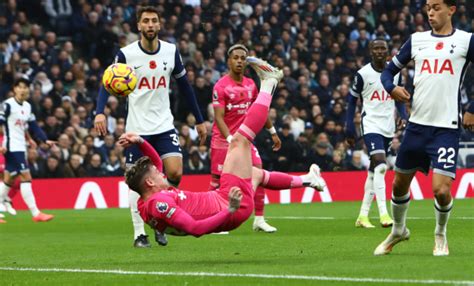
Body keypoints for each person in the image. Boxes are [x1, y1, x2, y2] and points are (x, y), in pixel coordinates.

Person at [121, 57, 327, 240]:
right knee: (239, 141)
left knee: (254, 174)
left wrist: (140, 141)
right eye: (157, 173)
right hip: (229, 204)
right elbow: (195, 229)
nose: (161, 170)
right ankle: (269, 83)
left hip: (223, 197)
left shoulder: (144, 202)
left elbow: (155, 162)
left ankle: (308, 180)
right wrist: (229, 210)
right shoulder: (159, 204)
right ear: (149, 182)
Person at [94, 6, 207, 248]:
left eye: (154, 21)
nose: (150, 25)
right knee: (137, 181)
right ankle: (139, 234)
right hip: (137, 128)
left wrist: (199, 120)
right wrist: (99, 112)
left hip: (164, 125)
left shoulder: (170, 51)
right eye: (145, 21)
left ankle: (161, 221)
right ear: (139, 26)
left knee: (175, 173)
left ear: (159, 25)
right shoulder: (126, 54)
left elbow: (185, 86)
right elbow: (106, 82)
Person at [374, 0, 474, 256]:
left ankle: (440, 234)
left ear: (451, 10)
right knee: (398, 185)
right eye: (428, 7)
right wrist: (391, 88)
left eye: (437, 7)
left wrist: (471, 107)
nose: (431, 12)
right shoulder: (417, 40)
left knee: (440, 191)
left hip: (446, 129)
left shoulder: (465, 40)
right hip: (417, 127)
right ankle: (398, 230)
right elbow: (387, 72)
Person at [210, 44, 281, 233]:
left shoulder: (251, 84)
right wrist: (230, 138)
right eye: (236, 58)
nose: (240, 61)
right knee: (218, 181)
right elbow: (218, 117)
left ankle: (259, 219)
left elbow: (260, 109)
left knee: (258, 171)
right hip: (223, 139)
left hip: (245, 140)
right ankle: (217, 220)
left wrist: (272, 131)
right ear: (229, 61)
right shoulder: (221, 86)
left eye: (243, 58)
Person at [345, 38, 407, 229]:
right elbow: (351, 102)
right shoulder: (363, 74)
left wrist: (403, 116)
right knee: (381, 166)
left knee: (373, 172)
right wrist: (349, 127)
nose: (380, 51)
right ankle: (384, 214)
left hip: (388, 126)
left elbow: (399, 98)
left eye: (383, 48)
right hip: (370, 124)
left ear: (388, 51)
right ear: (371, 51)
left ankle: (362, 216)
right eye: (376, 48)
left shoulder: (395, 74)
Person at [0, 78, 56, 222]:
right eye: (20, 87)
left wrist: (45, 140)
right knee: (26, 177)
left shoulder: (28, 106)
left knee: (9, 180)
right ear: (14, 89)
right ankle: (35, 213)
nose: (23, 90)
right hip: (11, 147)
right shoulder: (7, 105)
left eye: (25, 87)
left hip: (21, 147)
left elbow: (34, 126)